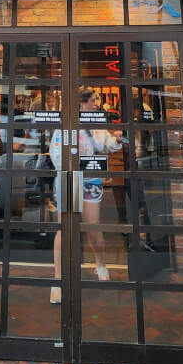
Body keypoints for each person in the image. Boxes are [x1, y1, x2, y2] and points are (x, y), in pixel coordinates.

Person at [49, 88, 120, 303]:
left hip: (91, 179)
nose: (97, 103)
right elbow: (56, 153)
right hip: (70, 178)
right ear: (81, 102)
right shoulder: (66, 122)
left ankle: (101, 264)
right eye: (93, 99)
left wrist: (116, 140)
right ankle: (58, 280)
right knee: (64, 229)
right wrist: (73, 165)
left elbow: (106, 145)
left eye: (97, 99)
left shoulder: (96, 124)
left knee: (92, 227)